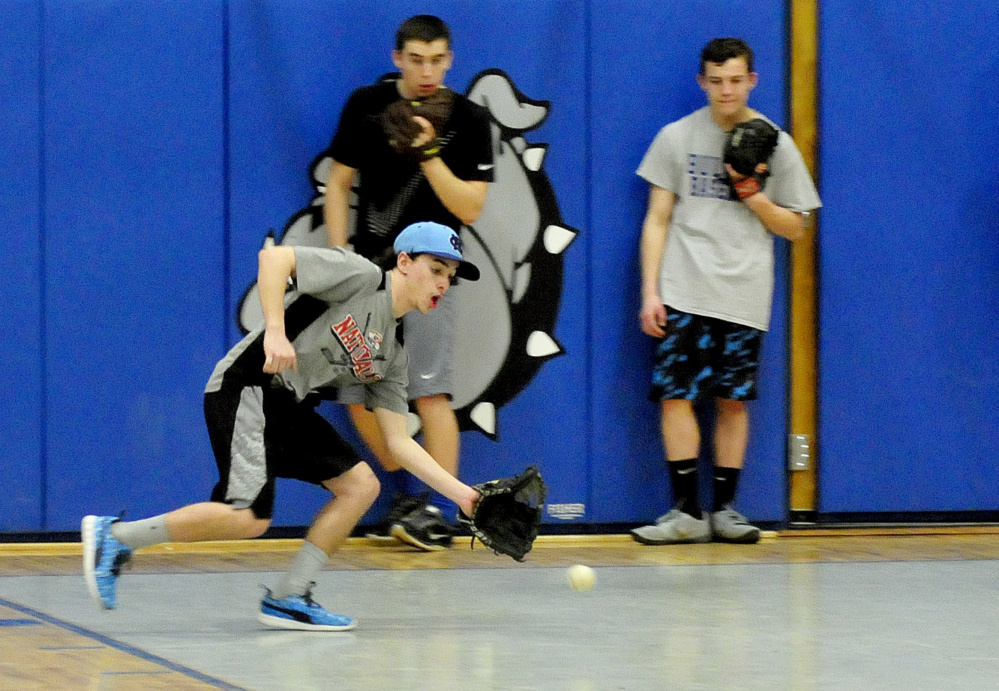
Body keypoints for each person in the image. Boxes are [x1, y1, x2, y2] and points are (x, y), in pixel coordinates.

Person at [83, 222, 484, 631]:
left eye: (449, 278)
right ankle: (116, 537)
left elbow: (398, 443)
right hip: (247, 386)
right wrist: (275, 330)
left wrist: (466, 498)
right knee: (248, 517)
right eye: (436, 269)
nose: (442, 284)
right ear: (403, 261)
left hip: (285, 407)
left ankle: (290, 595)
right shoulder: (361, 277)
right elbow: (274, 259)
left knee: (361, 486)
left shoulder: (391, 356)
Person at [631, 38, 821, 545]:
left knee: (732, 401)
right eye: (716, 81)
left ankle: (727, 510)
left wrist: (752, 195)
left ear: (752, 81)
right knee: (676, 395)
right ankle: (687, 511)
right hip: (683, 288)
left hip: (743, 291)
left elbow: (796, 227)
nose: (726, 90)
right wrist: (651, 291)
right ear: (702, 82)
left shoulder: (775, 142)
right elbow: (657, 218)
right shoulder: (675, 137)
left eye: (736, 80)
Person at [323, 15, 493, 551]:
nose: (427, 71)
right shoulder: (365, 106)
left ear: (450, 60)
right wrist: (337, 254)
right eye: (416, 59)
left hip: (431, 275)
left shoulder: (468, 119)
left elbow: (471, 205)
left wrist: (429, 151)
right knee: (355, 390)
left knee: (428, 391)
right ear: (398, 58)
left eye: (437, 60)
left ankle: (437, 510)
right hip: (370, 272)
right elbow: (339, 181)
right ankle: (410, 496)